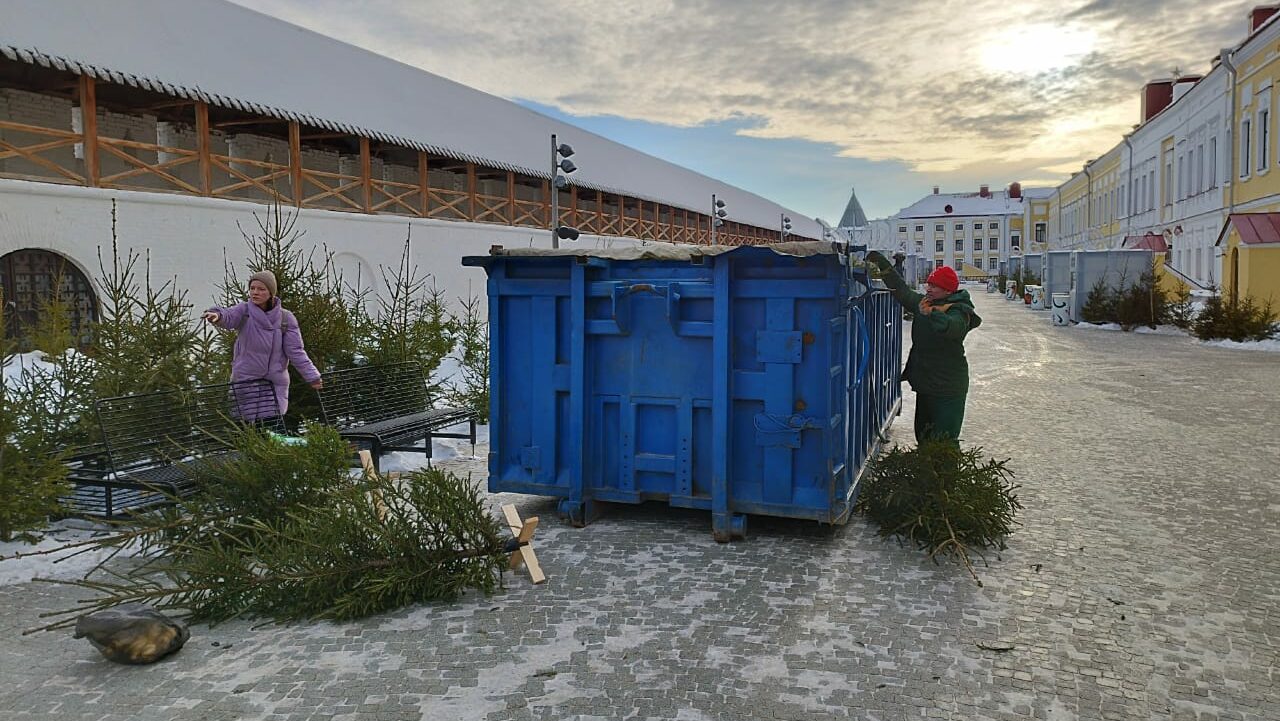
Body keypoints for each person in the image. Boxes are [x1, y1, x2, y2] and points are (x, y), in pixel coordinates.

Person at [865, 251, 981, 443]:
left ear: (948, 290)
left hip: (948, 389)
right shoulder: (924, 303)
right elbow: (902, 292)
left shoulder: (960, 311)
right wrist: (883, 265)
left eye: (934, 286)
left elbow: (953, 328)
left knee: (944, 442)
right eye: (928, 283)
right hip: (926, 385)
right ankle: (925, 472)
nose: (928, 288)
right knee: (924, 436)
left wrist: (931, 313)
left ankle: (946, 473)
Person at [202, 270, 322, 418]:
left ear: (271, 292)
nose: (255, 292)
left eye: (261, 289)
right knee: (246, 429)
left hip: (275, 385)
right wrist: (217, 315)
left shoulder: (286, 318)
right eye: (252, 288)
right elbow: (228, 315)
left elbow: (296, 351)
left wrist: (312, 376)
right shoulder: (244, 311)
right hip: (245, 382)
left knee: (272, 429)